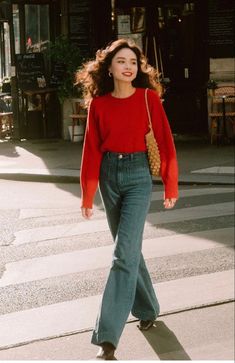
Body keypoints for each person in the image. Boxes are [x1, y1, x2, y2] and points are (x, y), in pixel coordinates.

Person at [76, 38, 178, 360]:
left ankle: (108, 338)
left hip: (138, 177)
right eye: (121, 61)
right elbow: (91, 149)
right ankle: (148, 310)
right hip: (109, 176)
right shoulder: (100, 105)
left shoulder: (149, 98)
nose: (128, 67)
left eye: (133, 62)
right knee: (130, 249)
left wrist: (170, 184)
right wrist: (87, 194)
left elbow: (165, 141)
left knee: (122, 254)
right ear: (109, 67)